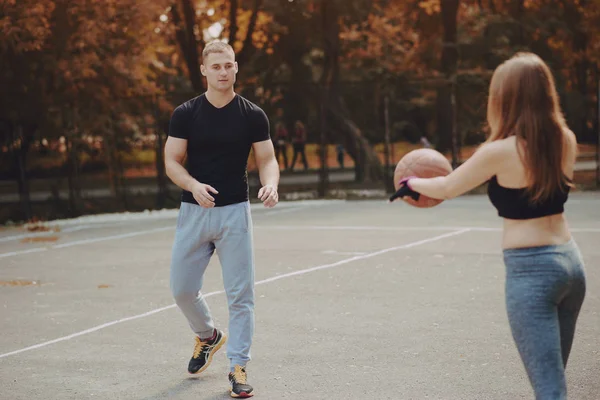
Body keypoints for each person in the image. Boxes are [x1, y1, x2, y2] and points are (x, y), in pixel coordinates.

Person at [390, 52, 586, 400]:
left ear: (503, 99)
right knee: (554, 380)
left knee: (550, 389)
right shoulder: (566, 140)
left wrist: (411, 184)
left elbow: (448, 187)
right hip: (571, 266)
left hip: (533, 272)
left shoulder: (499, 151)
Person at [164, 40, 279, 398]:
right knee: (181, 289)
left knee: (241, 296)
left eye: (228, 66)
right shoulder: (186, 113)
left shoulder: (252, 115)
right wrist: (193, 185)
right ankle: (208, 336)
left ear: (236, 67)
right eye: (216, 67)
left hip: (234, 214)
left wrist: (271, 184)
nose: (223, 72)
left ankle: (238, 366)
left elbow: (267, 159)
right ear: (204, 70)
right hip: (194, 212)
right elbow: (171, 161)